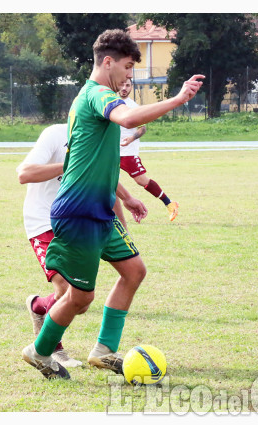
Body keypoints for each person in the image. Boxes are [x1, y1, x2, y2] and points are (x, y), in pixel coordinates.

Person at [21, 28, 203, 380]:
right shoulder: (95, 95)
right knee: (79, 298)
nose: (129, 75)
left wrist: (126, 197)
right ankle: (40, 351)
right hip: (78, 213)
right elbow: (130, 119)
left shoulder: (98, 97)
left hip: (100, 212)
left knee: (134, 271)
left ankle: (104, 350)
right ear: (108, 62)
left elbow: (100, 157)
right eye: (128, 67)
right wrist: (179, 99)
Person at [17, 123, 141, 369]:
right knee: (68, 291)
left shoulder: (105, 135)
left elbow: (105, 179)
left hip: (86, 219)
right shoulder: (56, 134)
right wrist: (75, 164)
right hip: (45, 220)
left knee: (83, 301)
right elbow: (24, 173)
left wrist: (124, 218)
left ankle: (41, 307)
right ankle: (53, 350)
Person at [118, 78, 179, 221]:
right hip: (111, 152)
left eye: (127, 85)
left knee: (141, 180)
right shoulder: (111, 103)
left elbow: (142, 128)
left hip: (128, 153)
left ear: (131, 88)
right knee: (105, 181)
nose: (124, 88)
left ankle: (170, 204)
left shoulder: (134, 107)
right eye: (122, 84)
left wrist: (131, 139)